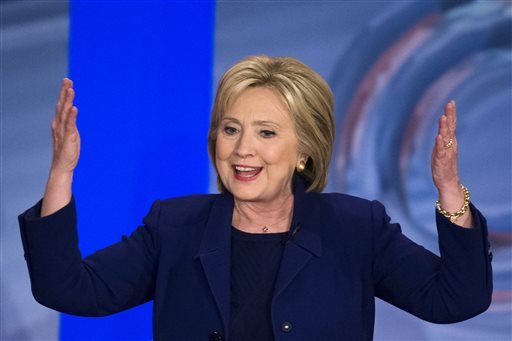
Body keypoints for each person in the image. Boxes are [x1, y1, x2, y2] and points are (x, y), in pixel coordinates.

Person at [19, 55, 492, 341]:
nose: (242, 149)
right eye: (231, 130)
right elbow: (67, 289)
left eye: (266, 133)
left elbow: (454, 301)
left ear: (304, 150)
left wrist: (450, 189)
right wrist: (62, 172)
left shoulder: (354, 228)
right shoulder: (175, 226)